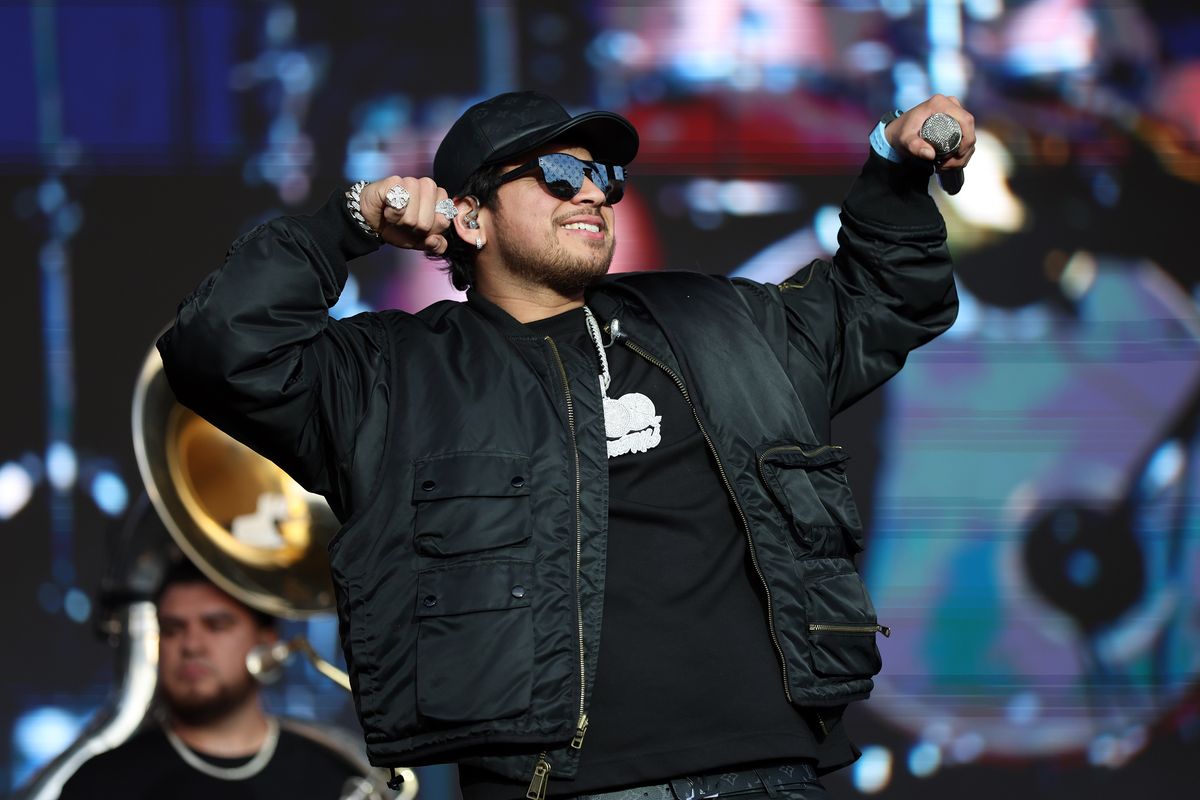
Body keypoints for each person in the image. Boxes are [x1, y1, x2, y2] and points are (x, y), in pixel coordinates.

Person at [158, 90, 973, 800]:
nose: (592, 189)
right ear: (467, 216)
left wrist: (890, 167)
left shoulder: (721, 320)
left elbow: (886, 298)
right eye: (555, 174)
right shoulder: (392, 378)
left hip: (774, 776)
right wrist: (349, 222)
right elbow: (217, 348)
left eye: (605, 176)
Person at [57, 562, 367, 799]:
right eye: (173, 629)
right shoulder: (100, 784)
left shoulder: (337, 774)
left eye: (216, 625)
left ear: (267, 641)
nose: (191, 645)